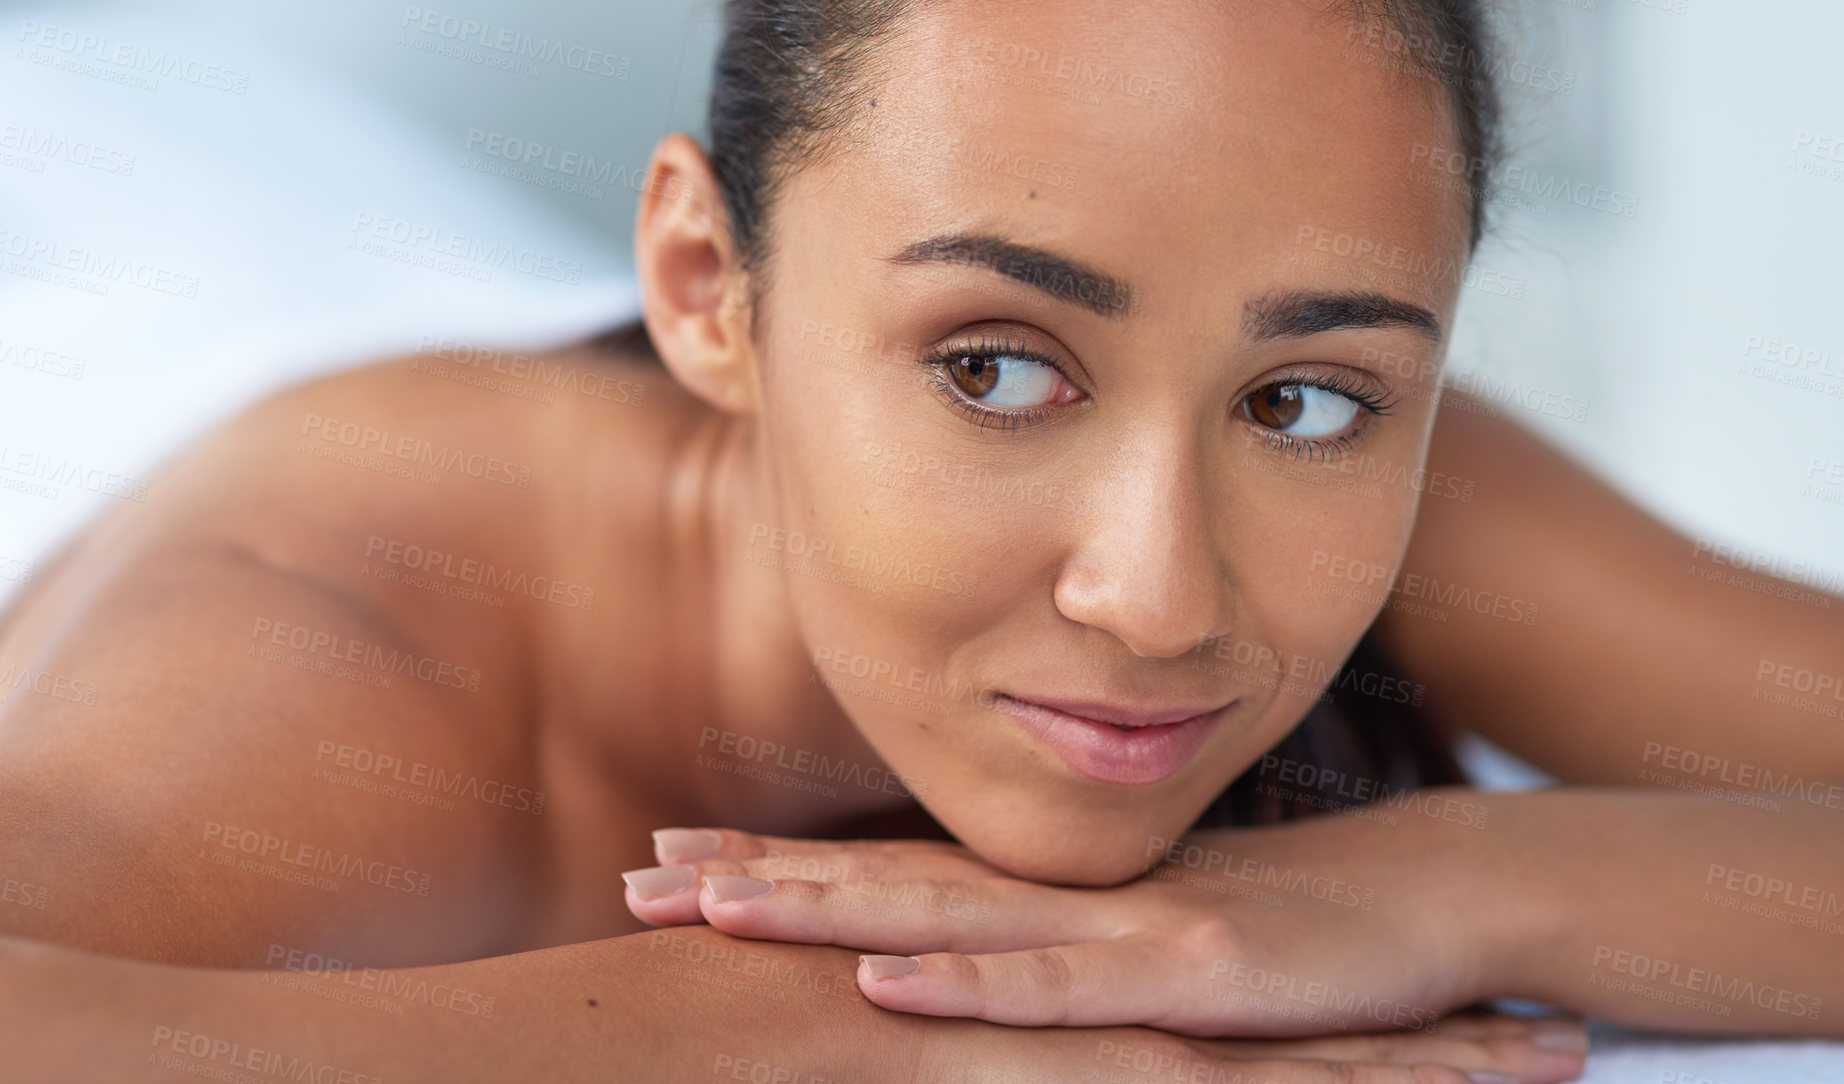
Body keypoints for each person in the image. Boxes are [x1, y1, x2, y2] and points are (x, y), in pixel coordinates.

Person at [2, 1, 1840, 1080]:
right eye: (996, 367)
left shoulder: (1348, 448)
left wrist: (1453, 886)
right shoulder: (314, 681)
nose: (1159, 595)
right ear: (708, 285)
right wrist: (789, 1025)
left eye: (1303, 398)